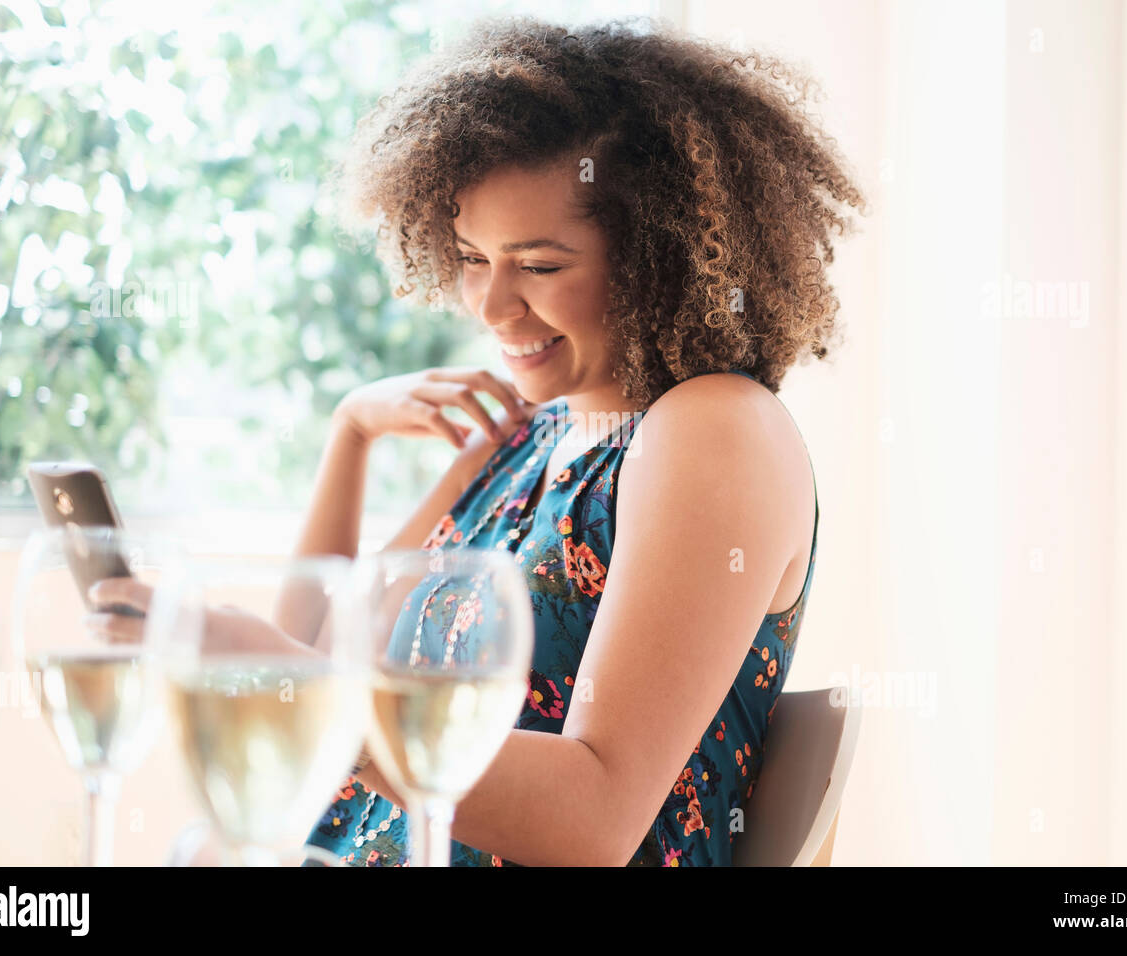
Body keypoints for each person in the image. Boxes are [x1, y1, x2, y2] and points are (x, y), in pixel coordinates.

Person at [297, 15, 867, 866]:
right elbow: (311, 661)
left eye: (539, 265)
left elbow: (594, 817)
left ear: (657, 258)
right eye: (470, 257)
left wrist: (297, 689)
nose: (490, 307)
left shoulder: (713, 429)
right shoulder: (520, 437)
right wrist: (350, 434)